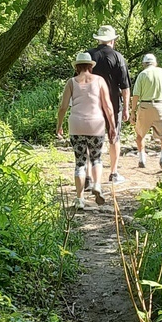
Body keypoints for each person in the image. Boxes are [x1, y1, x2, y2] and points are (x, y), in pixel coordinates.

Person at [56, 51, 116, 209]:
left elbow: (63, 107)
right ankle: (97, 185)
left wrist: (59, 126)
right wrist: (113, 126)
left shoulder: (71, 82)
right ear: (91, 66)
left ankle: (80, 199)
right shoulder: (99, 80)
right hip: (96, 124)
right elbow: (108, 106)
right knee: (96, 158)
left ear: (77, 67)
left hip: (76, 125)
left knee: (80, 162)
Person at [87, 24, 130, 186]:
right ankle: (113, 173)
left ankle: (90, 176)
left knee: (90, 139)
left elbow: (77, 80)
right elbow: (125, 87)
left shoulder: (88, 56)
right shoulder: (118, 57)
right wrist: (126, 108)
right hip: (113, 104)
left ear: (98, 39)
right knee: (114, 137)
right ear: (112, 40)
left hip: (91, 103)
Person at [130, 53, 162, 171]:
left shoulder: (142, 75)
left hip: (145, 106)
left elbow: (135, 95)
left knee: (140, 135)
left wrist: (132, 112)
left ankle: (142, 159)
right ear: (155, 63)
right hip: (160, 106)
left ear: (144, 64)